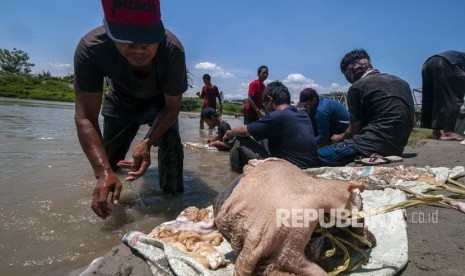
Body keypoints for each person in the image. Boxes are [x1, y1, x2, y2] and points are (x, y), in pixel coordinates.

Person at [74, 0, 188, 219]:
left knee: (172, 150)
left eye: (147, 40)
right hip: (119, 103)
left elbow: (172, 107)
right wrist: (103, 171)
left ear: (159, 32)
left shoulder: (172, 50)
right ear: (109, 32)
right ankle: (112, 210)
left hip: (159, 106)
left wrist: (148, 141)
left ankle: (173, 210)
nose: (138, 49)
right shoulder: (91, 49)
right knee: (109, 161)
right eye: (126, 40)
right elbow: (85, 117)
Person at [318, 48, 414, 166]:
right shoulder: (402, 82)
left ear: (351, 71)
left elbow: (354, 130)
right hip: (397, 149)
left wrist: (341, 137)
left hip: (368, 146)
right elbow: (412, 120)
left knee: (314, 156)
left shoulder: (358, 87)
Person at [224, 81, 319, 173]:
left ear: (269, 100)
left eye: (265, 105)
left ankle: (236, 175)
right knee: (262, 137)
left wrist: (228, 134)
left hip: (289, 171)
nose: (265, 110)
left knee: (239, 139)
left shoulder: (275, 116)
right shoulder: (304, 114)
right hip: (311, 167)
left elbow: (242, 130)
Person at [421, 50, 465, 141]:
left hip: (428, 63)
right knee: (453, 96)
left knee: (433, 97)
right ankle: (448, 131)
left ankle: (436, 131)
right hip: (447, 63)